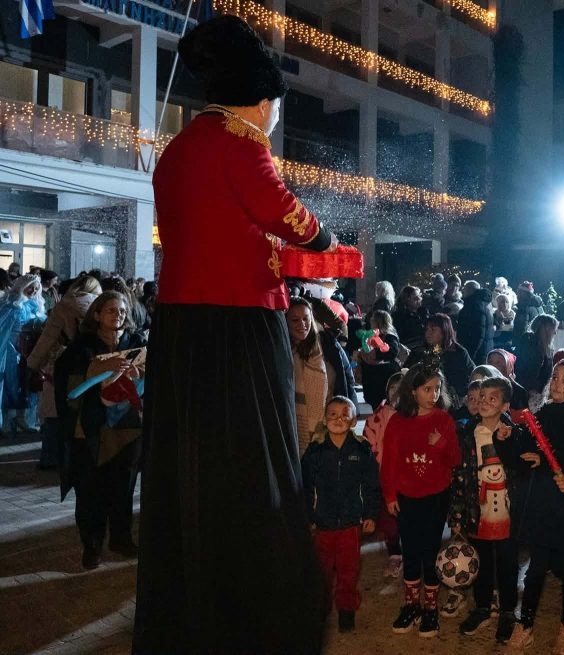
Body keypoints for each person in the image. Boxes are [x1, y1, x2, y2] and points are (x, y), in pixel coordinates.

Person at [134, 16, 336, 654]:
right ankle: (258, 597)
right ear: (262, 101)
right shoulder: (241, 143)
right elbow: (289, 216)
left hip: (182, 328)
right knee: (254, 465)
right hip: (239, 325)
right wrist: (328, 242)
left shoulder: (178, 147)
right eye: (274, 105)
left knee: (192, 467)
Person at [506, 360, 564, 654]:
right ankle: (525, 625)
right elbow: (528, 446)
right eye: (556, 377)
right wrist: (510, 440)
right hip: (542, 502)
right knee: (536, 566)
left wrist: (559, 469)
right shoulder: (543, 413)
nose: (558, 383)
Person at [54, 291, 145, 570]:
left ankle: (121, 538)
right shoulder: (81, 348)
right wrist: (98, 369)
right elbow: (69, 387)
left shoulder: (137, 343)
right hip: (91, 429)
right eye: (110, 311)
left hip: (127, 428)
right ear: (96, 314)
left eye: (121, 311)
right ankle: (91, 546)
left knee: (123, 487)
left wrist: (138, 374)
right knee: (90, 489)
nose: (117, 316)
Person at [381, 363, 461, 638]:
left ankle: (430, 610)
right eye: (428, 389)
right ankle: (411, 605)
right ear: (412, 391)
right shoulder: (397, 421)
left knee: (430, 551)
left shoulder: (444, 421)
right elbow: (389, 462)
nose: (434, 394)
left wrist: (441, 444)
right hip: (407, 498)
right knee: (410, 550)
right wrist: (390, 495)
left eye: (438, 389)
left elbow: (455, 460)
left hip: (436, 497)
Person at [450, 377, 529, 644]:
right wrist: (458, 515)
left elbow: (521, 470)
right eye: (481, 396)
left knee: (507, 563)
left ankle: (507, 611)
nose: (484, 401)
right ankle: (482, 606)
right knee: (481, 562)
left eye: (492, 397)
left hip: (507, 513)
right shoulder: (468, 433)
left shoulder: (515, 433)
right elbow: (460, 476)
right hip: (478, 511)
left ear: (505, 404)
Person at [301, 396, 380, 633]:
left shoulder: (362, 449)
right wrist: (308, 517)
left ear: (354, 419)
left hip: (350, 523)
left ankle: (346, 610)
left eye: (345, 414)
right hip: (322, 523)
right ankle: (321, 611)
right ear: (325, 420)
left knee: (349, 569)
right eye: (333, 414)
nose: (339, 418)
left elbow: (371, 486)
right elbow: (305, 487)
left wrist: (370, 515)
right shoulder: (315, 451)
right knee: (322, 570)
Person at [28, 275, 101, 469]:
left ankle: (51, 459)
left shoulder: (64, 306)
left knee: (53, 410)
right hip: (92, 364)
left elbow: (47, 339)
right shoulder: (101, 305)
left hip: (63, 363)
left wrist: (32, 364)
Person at [288, 297, 354, 454]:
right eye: (295, 320)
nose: (302, 324)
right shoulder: (283, 352)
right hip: (294, 428)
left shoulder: (326, 344)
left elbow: (343, 377)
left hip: (327, 425)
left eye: (306, 318)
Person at [362, 371, 405, 579]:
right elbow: (369, 444)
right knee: (389, 520)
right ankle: (395, 553)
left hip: (407, 478)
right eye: (393, 388)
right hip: (385, 476)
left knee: (408, 518)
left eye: (402, 389)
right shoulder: (377, 416)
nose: (397, 393)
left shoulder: (412, 417)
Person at [0, 274, 46, 433]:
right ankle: (6, 421)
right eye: (30, 287)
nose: (33, 291)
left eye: (36, 288)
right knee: (10, 383)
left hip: (29, 350)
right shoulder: (11, 305)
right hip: (12, 350)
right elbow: (4, 329)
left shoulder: (36, 305)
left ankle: (23, 418)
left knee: (27, 385)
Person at [406, 314, 475, 399]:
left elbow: (470, 375)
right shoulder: (419, 351)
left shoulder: (458, 353)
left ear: (444, 331)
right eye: (427, 329)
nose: (428, 333)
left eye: (433, 329)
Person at [357, 309, 401, 410]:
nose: (371, 320)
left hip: (383, 376)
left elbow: (392, 351)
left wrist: (375, 354)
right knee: (374, 403)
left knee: (384, 404)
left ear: (378, 321)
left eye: (373, 319)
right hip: (371, 375)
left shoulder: (389, 336)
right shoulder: (370, 335)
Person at [513, 314, 557, 404]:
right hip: (529, 392)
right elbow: (529, 371)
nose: (555, 332)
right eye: (553, 329)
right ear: (547, 329)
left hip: (536, 391)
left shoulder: (545, 347)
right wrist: (532, 389)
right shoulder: (531, 343)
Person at [458, 281, 494, 364]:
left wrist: (470, 356)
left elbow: (478, 334)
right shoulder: (483, 304)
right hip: (482, 351)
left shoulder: (475, 306)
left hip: (476, 354)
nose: (462, 290)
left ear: (471, 290)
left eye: (465, 288)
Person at [393, 285, 427, 350]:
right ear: (407, 300)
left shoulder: (422, 312)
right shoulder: (399, 316)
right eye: (415, 298)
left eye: (419, 297)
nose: (419, 300)